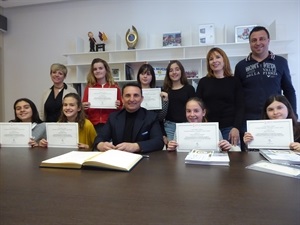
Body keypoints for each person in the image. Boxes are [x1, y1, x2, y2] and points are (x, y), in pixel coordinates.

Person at [234, 26, 297, 150]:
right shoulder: (241, 66)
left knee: (278, 155)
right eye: (254, 40)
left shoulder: (280, 62)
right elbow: (238, 97)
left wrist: (294, 115)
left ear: (268, 40)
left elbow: (289, 90)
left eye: (262, 39)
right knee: (250, 158)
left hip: (275, 120)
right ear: (249, 43)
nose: (258, 43)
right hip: (249, 122)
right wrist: (236, 124)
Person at [94, 82, 164, 153]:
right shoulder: (113, 117)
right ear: (122, 99)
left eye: (136, 95)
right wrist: (101, 145)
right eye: (128, 95)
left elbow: (158, 142)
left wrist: (136, 146)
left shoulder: (151, 117)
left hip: (143, 159)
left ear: (142, 99)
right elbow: (99, 138)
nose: (132, 99)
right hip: (119, 159)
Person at [196, 47, 244, 146]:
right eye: (211, 59)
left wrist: (236, 127)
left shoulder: (234, 81)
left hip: (230, 128)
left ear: (224, 59)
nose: (214, 61)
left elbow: (241, 106)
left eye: (217, 57)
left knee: (233, 159)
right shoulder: (203, 82)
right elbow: (198, 106)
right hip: (209, 128)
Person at [167, 97, 232, 152]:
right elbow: (175, 153)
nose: (192, 115)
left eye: (196, 111)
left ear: (203, 112)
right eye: (188, 111)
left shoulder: (214, 129)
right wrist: (171, 148)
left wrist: (225, 147)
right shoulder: (180, 130)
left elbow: (221, 152)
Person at [82, 58, 122, 135]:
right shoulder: (89, 87)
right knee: (95, 145)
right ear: (92, 72)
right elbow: (84, 109)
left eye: (100, 68)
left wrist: (119, 105)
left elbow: (121, 108)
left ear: (106, 70)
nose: (98, 71)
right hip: (93, 123)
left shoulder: (114, 87)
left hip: (110, 123)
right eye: (95, 69)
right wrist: (83, 106)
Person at [163, 60, 196, 141]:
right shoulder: (165, 91)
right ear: (168, 74)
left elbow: (194, 108)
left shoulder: (189, 89)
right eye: (171, 70)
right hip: (169, 126)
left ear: (181, 71)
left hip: (186, 125)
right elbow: (162, 113)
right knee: (171, 151)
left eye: (177, 69)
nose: (174, 72)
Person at [136, 63, 169, 145]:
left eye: (148, 74)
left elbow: (161, 117)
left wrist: (165, 101)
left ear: (152, 77)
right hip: (136, 128)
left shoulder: (158, 93)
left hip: (154, 129)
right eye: (142, 73)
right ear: (138, 76)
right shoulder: (134, 92)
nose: (145, 76)